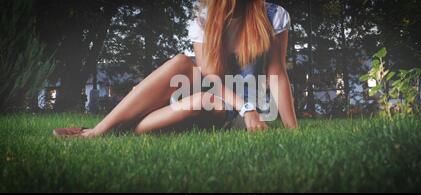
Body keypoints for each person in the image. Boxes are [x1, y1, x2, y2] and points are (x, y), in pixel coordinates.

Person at [53, 0, 298, 138]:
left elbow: (276, 74)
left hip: (235, 109)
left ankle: (102, 131)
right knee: (183, 62)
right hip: (219, 95)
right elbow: (211, 77)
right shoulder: (204, 18)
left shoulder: (273, 16)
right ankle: (99, 131)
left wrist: (291, 128)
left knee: (202, 99)